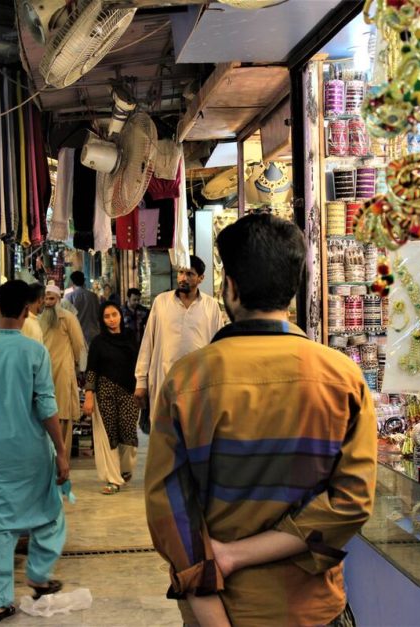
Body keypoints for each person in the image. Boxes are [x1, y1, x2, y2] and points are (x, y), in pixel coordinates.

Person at [145, 214, 377, 626]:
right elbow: (352, 502)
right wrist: (243, 553)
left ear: (229, 287)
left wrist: (215, 604)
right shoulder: (343, 377)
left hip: (224, 608)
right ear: (294, 286)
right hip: (314, 610)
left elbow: (170, 509)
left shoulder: (187, 381)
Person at [0, 279, 70, 623]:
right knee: (49, 514)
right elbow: (45, 405)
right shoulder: (34, 352)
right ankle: (38, 575)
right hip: (31, 453)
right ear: (26, 311)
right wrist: (61, 450)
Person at [133, 255, 225, 418]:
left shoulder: (211, 307)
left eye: (189, 274)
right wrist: (141, 381)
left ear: (201, 278)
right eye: (181, 273)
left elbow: (219, 347)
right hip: (164, 379)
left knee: (195, 433)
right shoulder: (161, 302)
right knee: (164, 434)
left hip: (198, 383)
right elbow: (148, 342)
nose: (183, 278)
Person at [81, 303, 139, 495]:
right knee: (109, 436)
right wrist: (89, 395)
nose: (112, 319)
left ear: (121, 315)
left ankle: (125, 469)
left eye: (114, 315)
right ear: (102, 319)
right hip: (105, 391)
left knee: (128, 434)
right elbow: (92, 369)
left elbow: (141, 363)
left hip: (129, 391)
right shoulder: (98, 342)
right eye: (107, 316)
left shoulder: (131, 337)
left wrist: (143, 388)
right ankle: (113, 480)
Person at [39, 282, 86, 456]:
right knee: (47, 413)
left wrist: (78, 366)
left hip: (64, 371)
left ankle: (62, 455)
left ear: (58, 299)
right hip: (45, 372)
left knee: (63, 413)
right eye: (46, 298)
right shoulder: (40, 319)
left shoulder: (68, 317)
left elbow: (79, 344)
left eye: (52, 298)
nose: (48, 302)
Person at [64, 271, 100, 345]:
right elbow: (98, 314)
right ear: (84, 281)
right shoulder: (93, 296)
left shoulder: (69, 296)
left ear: (72, 282)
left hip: (76, 334)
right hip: (93, 334)